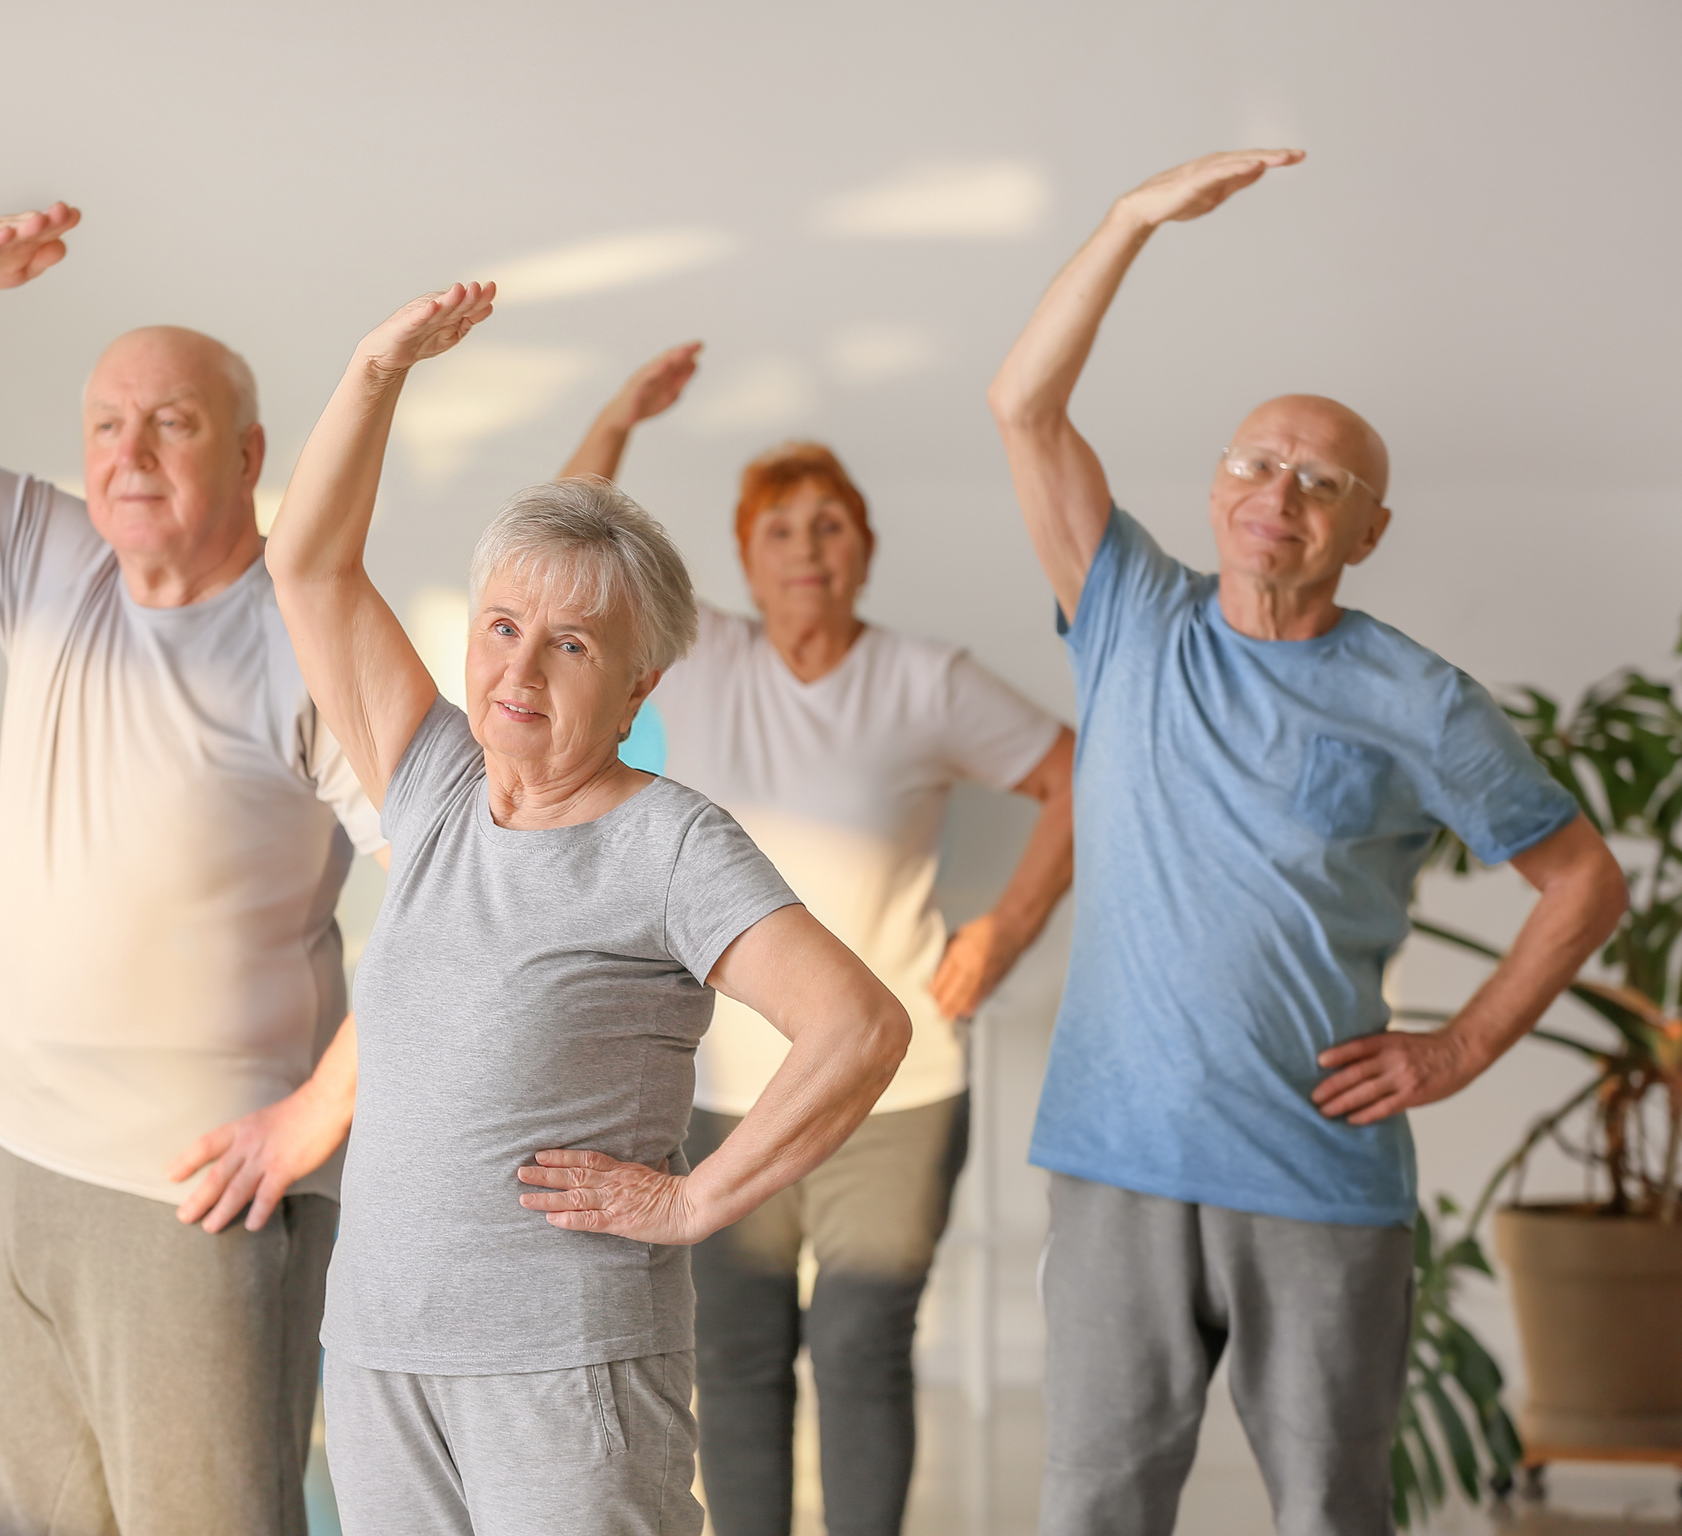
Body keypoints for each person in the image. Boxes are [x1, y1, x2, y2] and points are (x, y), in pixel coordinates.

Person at [986, 149, 1631, 1536]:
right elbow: (1023, 406)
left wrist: (1459, 1048)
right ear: (1220, 487)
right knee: (1093, 1507)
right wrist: (1130, 223)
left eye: (1322, 481)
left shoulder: (1424, 702)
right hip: (1120, 1163)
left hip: (1318, 1176)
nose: (1282, 492)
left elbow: (1584, 880)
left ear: (1368, 529)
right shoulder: (1129, 619)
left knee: (1330, 1511)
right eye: (1260, 461)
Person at [266, 280, 913, 1536]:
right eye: (503, 626)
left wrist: (694, 1201)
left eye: (570, 643)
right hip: (386, 1352)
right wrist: (376, 368)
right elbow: (308, 564)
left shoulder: (670, 844)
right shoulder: (439, 785)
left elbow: (860, 1028)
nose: (518, 666)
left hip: (564, 1368)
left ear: (637, 684)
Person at [0, 204, 385, 1536]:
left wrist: (317, 1116)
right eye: (105, 425)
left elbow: (455, 888)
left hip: (193, 1194)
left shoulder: (312, 640)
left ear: (247, 452)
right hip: (13, 1159)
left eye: (170, 423)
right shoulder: (55, 558)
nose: (127, 455)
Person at [562, 357, 1076, 1536]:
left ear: (866, 546)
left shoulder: (924, 679)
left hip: (894, 1087)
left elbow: (1071, 774)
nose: (807, 547)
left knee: (860, 1343)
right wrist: (614, 421)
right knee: (736, 1355)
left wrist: (1005, 925)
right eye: (781, 528)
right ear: (744, 558)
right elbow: (577, 553)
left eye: (830, 524)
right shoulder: (708, 659)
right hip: (723, 1083)